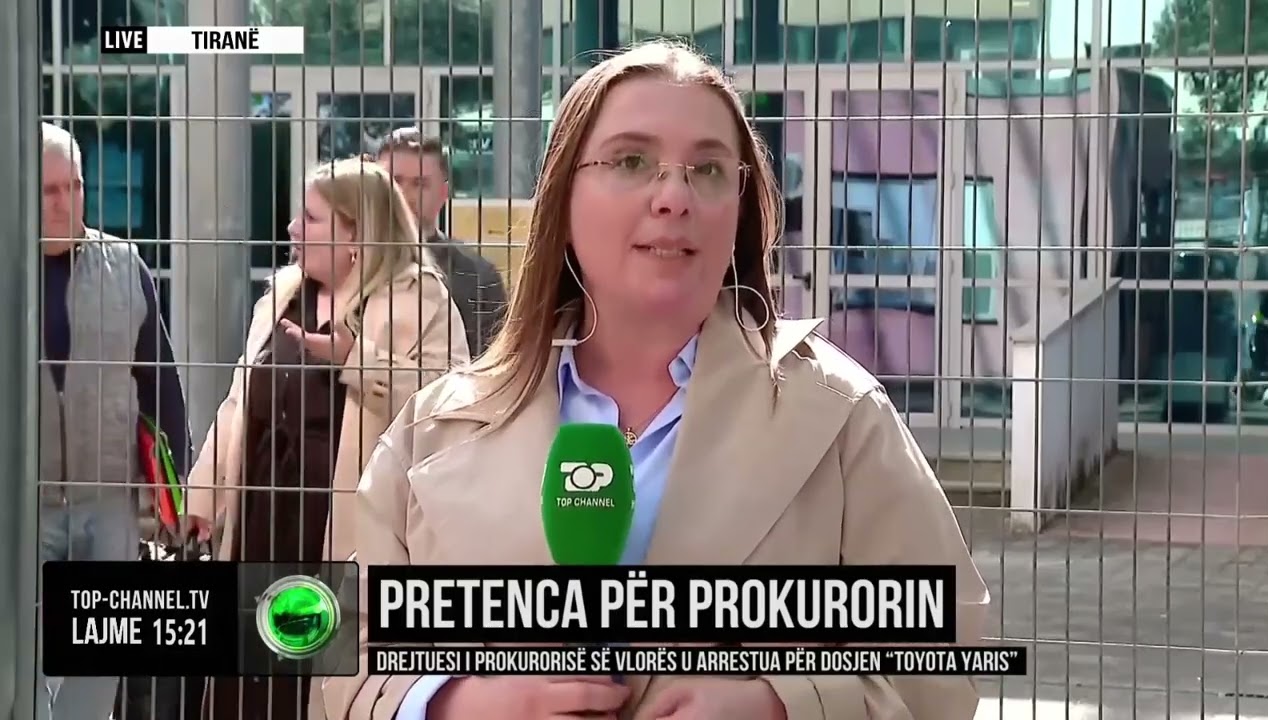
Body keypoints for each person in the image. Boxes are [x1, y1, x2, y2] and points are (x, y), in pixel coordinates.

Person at [324, 41, 989, 720]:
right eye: (631, 161)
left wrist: (780, 704)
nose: (674, 197)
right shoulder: (435, 428)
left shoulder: (841, 416)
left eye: (708, 169)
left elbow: (942, 658)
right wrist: (455, 703)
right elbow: (345, 648)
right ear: (563, 199)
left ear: (740, 208)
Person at [184, 156, 469, 720]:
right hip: (264, 518)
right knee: (253, 678)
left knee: (324, 676)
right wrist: (203, 494)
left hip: (343, 524)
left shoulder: (421, 299)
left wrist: (357, 360)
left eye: (311, 219)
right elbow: (241, 398)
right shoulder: (282, 296)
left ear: (356, 235)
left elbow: (450, 401)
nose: (293, 228)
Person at [37, 121, 192, 720]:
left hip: (108, 499)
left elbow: (160, 383)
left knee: (98, 660)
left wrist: (177, 491)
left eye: (74, 186)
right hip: (21, 504)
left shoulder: (124, 266)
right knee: (21, 660)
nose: (65, 202)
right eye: (50, 190)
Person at [376, 127, 509, 356]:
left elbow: (490, 365)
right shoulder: (344, 262)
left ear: (443, 193)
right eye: (394, 181)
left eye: (420, 183)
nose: (404, 195)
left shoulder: (478, 277)